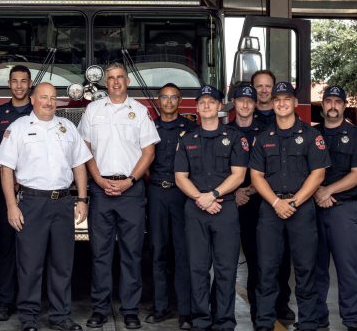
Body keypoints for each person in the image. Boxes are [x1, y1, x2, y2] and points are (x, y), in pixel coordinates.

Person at [0, 82, 92, 331]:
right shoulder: (17, 129)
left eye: (52, 98)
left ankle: (60, 316)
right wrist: (11, 207)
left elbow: (79, 165)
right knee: (30, 264)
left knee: (62, 264)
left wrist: (82, 199)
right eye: (43, 97)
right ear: (33, 100)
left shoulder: (68, 127)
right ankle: (29, 318)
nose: (49, 102)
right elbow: (6, 169)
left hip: (63, 203)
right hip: (31, 203)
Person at [78, 62, 160, 330]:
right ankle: (100, 310)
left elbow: (149, 152)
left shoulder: (139, 111)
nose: (115, 82)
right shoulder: (93, 110)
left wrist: (130, 180)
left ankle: (130, 310)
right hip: (101, 191)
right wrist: (98, 179)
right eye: (110, 78)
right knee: (100, 254)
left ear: (127, 81)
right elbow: (85, 148)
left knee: (131, 253)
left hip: (131, 192)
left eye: (119, 78)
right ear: (105, 82)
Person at [250, 81, 330, 331]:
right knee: (267, 269)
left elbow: (318, 175)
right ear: (271, 104)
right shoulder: (263, 138)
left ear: (295, 103)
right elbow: (256, 175)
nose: (282, 103)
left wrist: (293, 202)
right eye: (277, 100)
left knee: (305, 268)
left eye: (286, 99)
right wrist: (276, 202)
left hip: (301, 208)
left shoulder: (311, 136)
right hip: (271, 210)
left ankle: (307, 323)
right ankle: (264, 323)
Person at [174, 85, 248, 331]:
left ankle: (225, 320)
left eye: (211, 101)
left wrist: (213, 195)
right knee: (197, 268)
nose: (206, 105)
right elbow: (180, 177)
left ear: (219, 107)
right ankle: (201, 319)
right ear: (197, 108)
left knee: (226, 269)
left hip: (225, 208)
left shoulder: (235, 137)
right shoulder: (187, 140)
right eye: (202, 102)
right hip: (196, 210)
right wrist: (201, 198)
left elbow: (239, 175)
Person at [314, 86, 357, 331]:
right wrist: (317, 192)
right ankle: (317, 316)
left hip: (344, 211)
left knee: (348, 269)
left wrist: (328, 190)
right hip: (313, 208)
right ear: (323, 105)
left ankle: (353, 321)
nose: (333, 106)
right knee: (314, 267)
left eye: (338, 101)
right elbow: (301, 171)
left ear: (344, 105)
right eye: (328, 101)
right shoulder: (309, 134)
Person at [144, 83, 195, 329]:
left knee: (183, 252)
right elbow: (141, 162)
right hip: (156, 193)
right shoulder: (148, 127)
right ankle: (161, 307)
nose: (169, 101)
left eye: (174, 97)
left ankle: (185, 311)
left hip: (182, 195)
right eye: (164, 97)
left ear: (180, 100)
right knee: (158, 251)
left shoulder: (191, 128)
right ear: (158, 99)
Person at [0, 64, 33, 321]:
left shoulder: (38, 111)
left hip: (32, 190)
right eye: (14, 81)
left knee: (32, 250)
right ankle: (4, 301)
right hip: (4, 191)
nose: (18, 86)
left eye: (23, 81)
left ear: (29, 84)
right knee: (4, 246)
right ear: (9, 84)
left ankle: (30, 299)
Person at [251, 69, 295, 322]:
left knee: (283, 256)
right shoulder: (244, 116)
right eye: (259, 86)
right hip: (248, 199)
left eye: (268, 86)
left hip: (278, 200)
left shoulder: (284, 117)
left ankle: (282, 304)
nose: (264, 90)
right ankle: (260, 308)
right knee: (259, 256)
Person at [230, 84, 263, 325]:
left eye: (249, 101)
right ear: (235, 103)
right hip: (229, 205)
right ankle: (221, 315)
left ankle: (258, 314)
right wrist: (233, 195)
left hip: (257, 205)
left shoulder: (266, 132)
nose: (244, 105)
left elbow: (271, 170)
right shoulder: (223, 131)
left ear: (255, 104)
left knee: (257, 260)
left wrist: (248, 191)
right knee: (224, 262)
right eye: (240, 100)